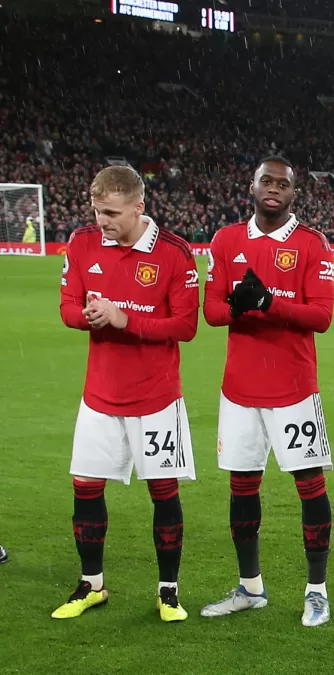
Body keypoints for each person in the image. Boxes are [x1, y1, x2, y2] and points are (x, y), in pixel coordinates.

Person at [55, 166, 199, 621]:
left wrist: (125, 321)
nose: (103, 221)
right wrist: (91, 316)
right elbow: (67, 309)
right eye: (98, 211)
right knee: (86, 488)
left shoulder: (175, 254)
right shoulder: (81, 244)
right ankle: (91, 584)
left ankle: (168, 591)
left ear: (140, 206)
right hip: (99, 395)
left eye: (113, 213)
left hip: (156, 398)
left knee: (163, 491)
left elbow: (186, 326)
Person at [200, 156, 334, 627]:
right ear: (252, 186)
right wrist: (241, 306)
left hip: (294, 388)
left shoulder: (311, 243)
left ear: (294, 193)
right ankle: (250, 588)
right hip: (239, 389)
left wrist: (270, 304)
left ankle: (316, 591)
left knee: (309, 487)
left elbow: (321, 316)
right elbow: (211, 312)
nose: (274, 188)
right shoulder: (226, 239)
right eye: (266, 180)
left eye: (284, 183)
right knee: (242, 488)